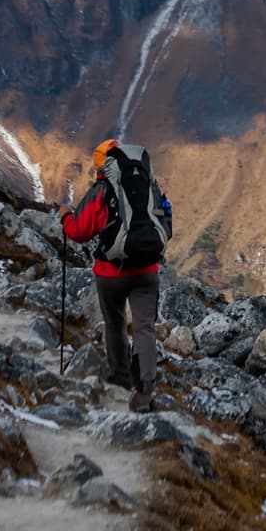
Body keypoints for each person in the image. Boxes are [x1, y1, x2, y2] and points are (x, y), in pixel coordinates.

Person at [59, 138, 173, 412]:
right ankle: (144, 394)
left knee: (115, 323)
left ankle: (120, 377)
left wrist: (64, 217)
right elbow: (166, 224)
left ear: (102, 165)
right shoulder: (151, 187)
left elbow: (78, 231)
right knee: (145, 328)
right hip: (147, 271)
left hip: (111, 274)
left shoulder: (101, 190)